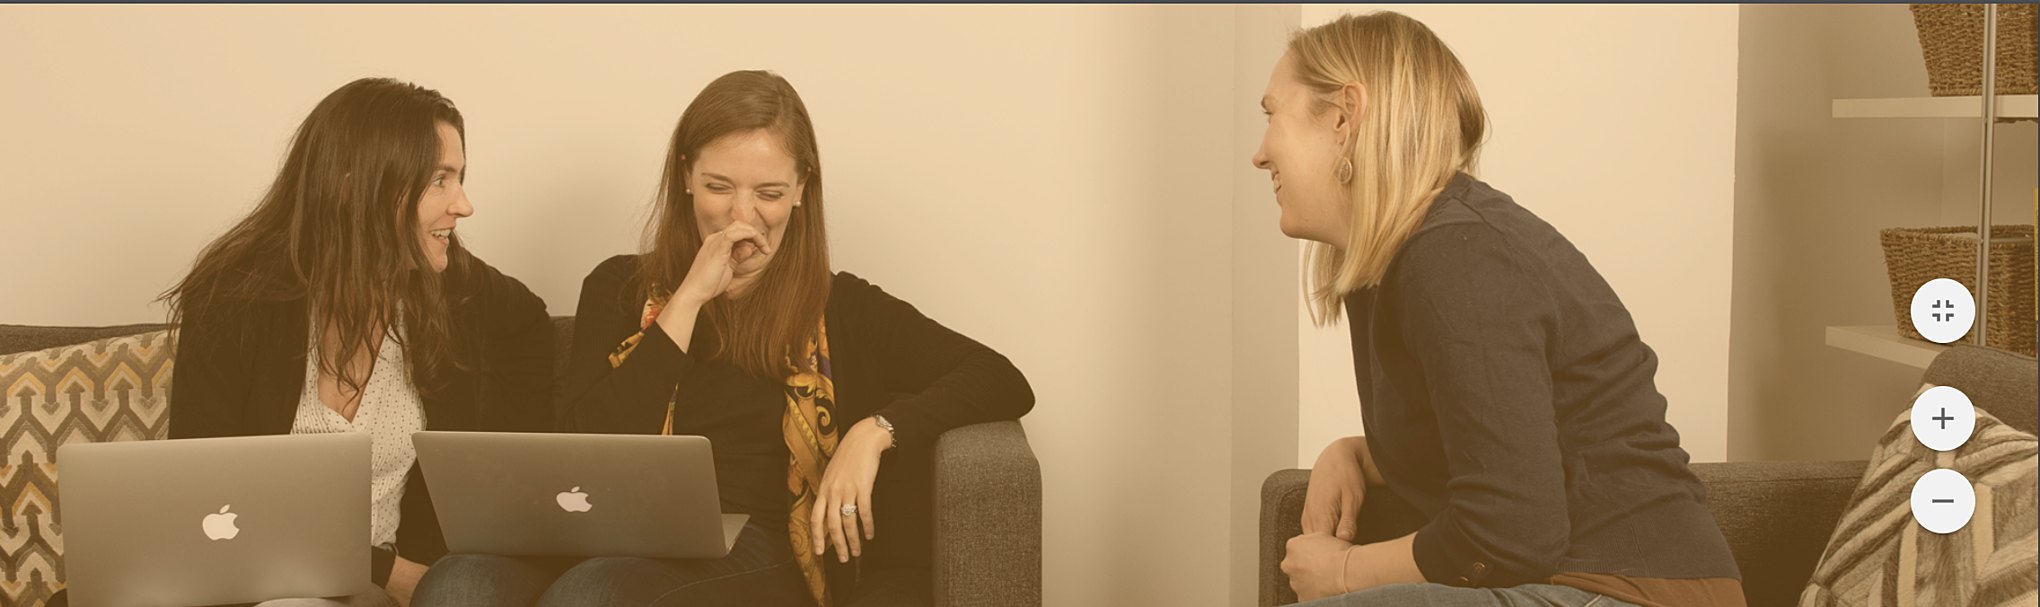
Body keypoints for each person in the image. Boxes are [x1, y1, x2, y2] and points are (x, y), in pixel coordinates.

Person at [413, 69, 1034, 607]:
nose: (742, 215)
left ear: (800, 191)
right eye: (718, 187)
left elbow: (1000, 377)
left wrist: (874, 432)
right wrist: (687, 300)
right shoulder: (616, 286)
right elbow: (588, 445)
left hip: (752, 551)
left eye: (768, 193)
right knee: (459, 583)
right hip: (602, 534)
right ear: (685, 177)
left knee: (594, 594)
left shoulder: (841, 304)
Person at [1253, 12, 1746, 607]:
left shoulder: (1457, 257)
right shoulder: (1394, 260)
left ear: (1342, 117)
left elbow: (1510, 532)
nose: (1260, 154)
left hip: (1627, 588)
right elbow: (1503, 447)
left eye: (1271, 115)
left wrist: (1346, 572)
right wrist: (1355, 452)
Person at [156, 77, 553, 607]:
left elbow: (529, 323)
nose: (463, 205)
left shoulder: (446, 278)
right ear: (352, 189)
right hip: (259, 577)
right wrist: (386, 570)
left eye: (459, 178)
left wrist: (496, 470)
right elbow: (207, 496)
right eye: (439, 180)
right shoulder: (235, 300)